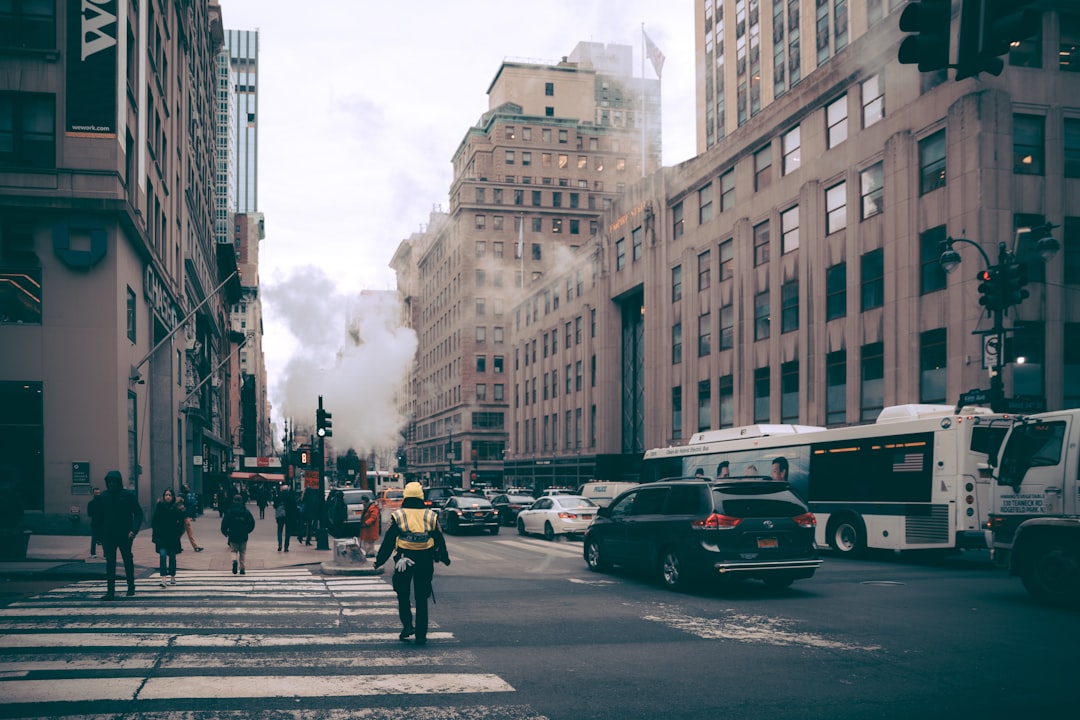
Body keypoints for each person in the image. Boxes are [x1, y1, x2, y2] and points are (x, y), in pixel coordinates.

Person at [373, 481, 451, 645]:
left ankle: (407, 626)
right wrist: (444, 558)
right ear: (421, 496)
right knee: (422, 598)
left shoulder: (398, 515)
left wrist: (379, 561)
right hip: (425, 560)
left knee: (403, 595)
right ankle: (421, 635)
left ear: (406, 496)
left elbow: (388, 541)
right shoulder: (430, 515)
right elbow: (439, 539)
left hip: (404, 559)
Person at [98, 470, 143, 600]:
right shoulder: (104, 496)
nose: (112, 484)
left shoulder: (128, 495)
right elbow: (99, 518)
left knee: (127, 560)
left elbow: (138, 513)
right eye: (110, 482)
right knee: (110, 563)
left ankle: (131, 586)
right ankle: (110, 591)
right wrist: (99, 536)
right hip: (108, 535)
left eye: (114, 482)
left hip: (125, 534)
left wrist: (133, 530)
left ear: (119, 482)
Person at [151, 488, 185, 587]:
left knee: (172, 557)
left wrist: (178, 533)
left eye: (170, 495)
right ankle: (163, 579)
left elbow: (181, 522)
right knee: (162, 555)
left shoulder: (176, 507)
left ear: (173, 496)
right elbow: (154, 521)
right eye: (166, 495)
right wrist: (156, 534)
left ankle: (173, 576)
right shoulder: (160, 506)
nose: (168, 497)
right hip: (161, 537)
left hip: (173, 537)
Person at [221, 494, 256, 575]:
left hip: (232, 534)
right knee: (242, 552)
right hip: (243, 534)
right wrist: (248, 530)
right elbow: (252, 522)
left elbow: (224, 523)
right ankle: (242, 567)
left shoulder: (229, 511)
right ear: (242, 501)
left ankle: (234, 561)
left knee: (233, 550)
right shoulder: (245, 511)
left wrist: (225, 532)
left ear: (233, 501)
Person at [274, 483, 299, 552]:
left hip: (280, 516)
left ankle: (280, 544)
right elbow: (294, 507)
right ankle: (286, 546)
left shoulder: (279, 496)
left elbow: (275, 505)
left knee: (279, 530)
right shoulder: (290, 497)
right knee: (288, 532)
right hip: (289, 516)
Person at [87, 486, 103, 557]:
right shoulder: (101, 503)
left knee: (101, 538)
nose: (97, 494)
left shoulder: (91, 503)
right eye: (96, 493)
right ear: (93, 493)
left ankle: (94, 553)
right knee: (96, 539)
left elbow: (89, 514)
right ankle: (93, 553)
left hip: (99, 522)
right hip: (96, 523)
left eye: (98, 493)